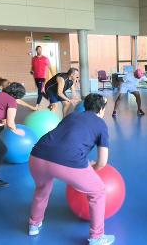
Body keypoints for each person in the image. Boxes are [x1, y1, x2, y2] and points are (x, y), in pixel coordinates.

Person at [28, 93, 115, 245]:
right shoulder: (101, 124)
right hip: (68, 162)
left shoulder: (72, 115)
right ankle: (97, 237)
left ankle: (34, 225)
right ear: (101, 110)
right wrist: (90, 167)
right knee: (99, 192)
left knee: (42, 189)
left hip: (37, 156)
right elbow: (102, 162)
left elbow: (62, 139)